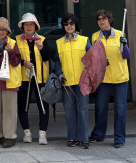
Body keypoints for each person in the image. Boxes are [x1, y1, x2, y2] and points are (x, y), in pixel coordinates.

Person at [89, 9, 130, 148]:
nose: (101, 21)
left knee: (120, 109)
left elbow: (126, 55)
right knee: (100, 108)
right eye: (99, 19)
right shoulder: (95, 36)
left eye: (104, 18)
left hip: (120, 77)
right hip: (103, 78)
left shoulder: (120, 34)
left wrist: (124, 45)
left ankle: (119, 138)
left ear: (109, 20)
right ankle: (98, 134)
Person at [54, 13, 91, 149]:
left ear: (76, 25)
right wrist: (59, 74)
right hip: (66, 82)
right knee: (69, 111)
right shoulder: (59, 42)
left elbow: (92, 58)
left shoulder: (84, 40)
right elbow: (57, 61)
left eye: (71, 23)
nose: (69, 26)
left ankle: (84, 138)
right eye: (66, 24)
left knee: (82, 110)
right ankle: (72, 137)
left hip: (83, 82)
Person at [15, 12, 51, 144]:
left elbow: (47, 57)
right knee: (23, 105)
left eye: (31, 24)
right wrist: (23, 62)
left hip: (40, 78)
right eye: (26, 24)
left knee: (43, 106)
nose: (29, 27)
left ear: (36, 26)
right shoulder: (17, 40)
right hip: (24, 78)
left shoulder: (42, 39)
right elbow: (14, 58)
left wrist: (41, 49)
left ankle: (42, 134)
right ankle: (27, 133)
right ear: (22, 26)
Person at [0, 17, 21, 148]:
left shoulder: (13, 43)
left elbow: (16, 62)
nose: (1, 32)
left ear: (7, 32)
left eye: (3, 29)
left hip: (9, 81)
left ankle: (10, 136)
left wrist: (11, 51)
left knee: (9, 110)